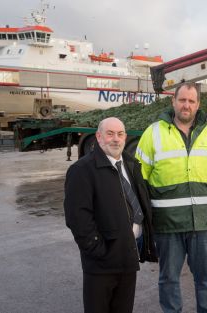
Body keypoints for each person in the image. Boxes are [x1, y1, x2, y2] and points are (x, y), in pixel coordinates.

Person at [135, 82, 207, 313]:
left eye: (191, 101)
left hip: (205, 223)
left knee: (206, 280)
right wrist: (146, 218)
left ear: (198, 104)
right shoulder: (153, 133)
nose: (186, 105)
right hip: (167, 224)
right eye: (182, 100)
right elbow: (140, 180)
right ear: (173, 102)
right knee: (169, 279)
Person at [64, 117, 157, 313]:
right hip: (101, 263)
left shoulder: (131, 165)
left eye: (120, 134)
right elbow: (77, 219)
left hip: (129, 256)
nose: (116, 139)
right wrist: (98, 250)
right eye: (110, 133)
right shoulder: (82, 170)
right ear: (99, 137)